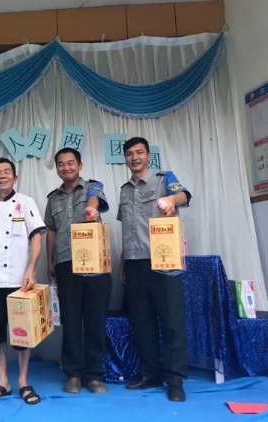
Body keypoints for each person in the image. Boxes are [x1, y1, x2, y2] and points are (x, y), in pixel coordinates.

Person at [117, 137, 191, 402]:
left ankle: (175, 380)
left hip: (163, 261)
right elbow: (128, 229)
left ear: (148, 156)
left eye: (139, 152)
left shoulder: (164, 179)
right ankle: (150, 374)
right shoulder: (124, 190)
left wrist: (171, 199)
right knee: (142, 321)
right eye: (129, 154)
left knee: (171, 321)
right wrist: (123, 262)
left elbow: (185, 195)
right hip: (134, 262)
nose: (134, 157)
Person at [0, 158, 46, 405]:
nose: (2, 176)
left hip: (18, 279)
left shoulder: (26, 202)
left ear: (15, 177)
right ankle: (3, 381)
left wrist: (31, 269)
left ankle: (23, 381)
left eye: (7, 172)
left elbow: (36, 237)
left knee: (22, 333)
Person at [44, 147, 112, 394]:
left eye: (70, 163)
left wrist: (91, 209)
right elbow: (51, 231)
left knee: (95, 320)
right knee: (71, 320)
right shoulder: (53, 198)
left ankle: (94, 376)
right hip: (65, 263)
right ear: (57, 168)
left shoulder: (93, 187)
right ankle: (73, 374)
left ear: (79, 165)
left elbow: (95, 201)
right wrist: (50, 261)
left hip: (95, 264)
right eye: (61, 164)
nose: (66, 167)